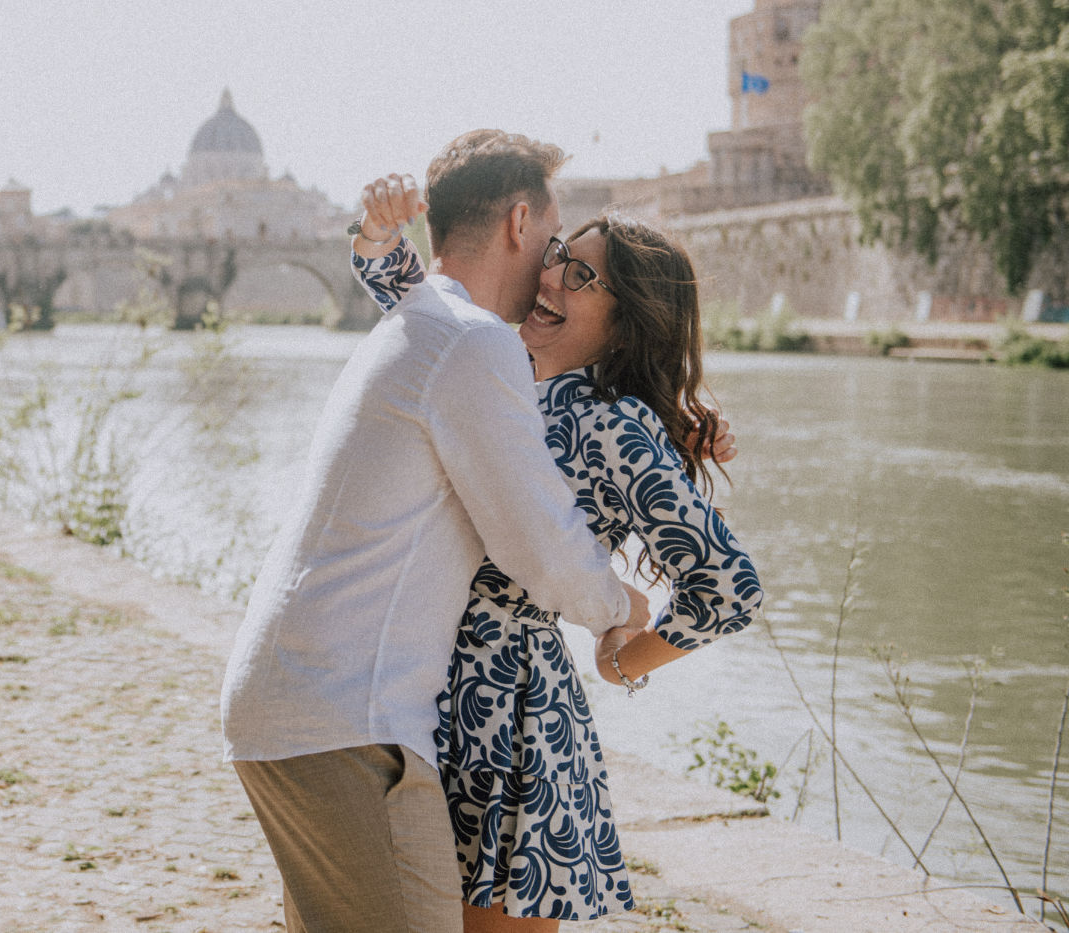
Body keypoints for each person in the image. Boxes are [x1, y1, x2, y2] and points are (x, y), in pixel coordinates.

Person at [220, 130, 654, 933]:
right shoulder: (472, 339)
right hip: (347, 721)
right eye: (553, 239)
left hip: (297, 704)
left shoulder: (423, 322)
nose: (555, 266)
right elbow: (540, 542)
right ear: (519, 221)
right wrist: (621, 607)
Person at [351, 186, 764, 931]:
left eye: (581, 277)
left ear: (629, 317)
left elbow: (729, 587)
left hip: (508, 714)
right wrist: (381, 235)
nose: (550, 278)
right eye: (559, 257)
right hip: (427, 689)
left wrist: (621, 660)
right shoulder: (504, 370)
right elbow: (415, 309)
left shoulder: (616, 420)